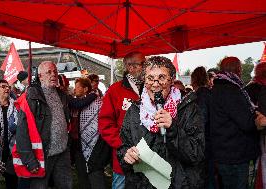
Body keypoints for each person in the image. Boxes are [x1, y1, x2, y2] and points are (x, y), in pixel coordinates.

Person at [117, 56, 205, 189]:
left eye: (162, 78)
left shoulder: (188, 109)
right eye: (150, 78)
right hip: (142, 184)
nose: (155, 84)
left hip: (178, 184)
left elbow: (196, 154)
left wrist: (173, 129)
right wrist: (126, 155)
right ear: (144, 81)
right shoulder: (134, 111)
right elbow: (123, 147)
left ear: (171, 80)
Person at [15, 61, 73, 189]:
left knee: (66, 185)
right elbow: (22, 132)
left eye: (55, 72)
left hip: (62, 152)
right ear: (40, 76)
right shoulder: (31, 97)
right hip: (42, 155)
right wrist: (30, 161)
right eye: (49, 72)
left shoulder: (61, 94)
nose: (53, 75)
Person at [210, 56, 260, 189]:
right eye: (241, 67)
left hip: (222, 152)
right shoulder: (231, 90)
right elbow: (246, 123)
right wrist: (256, 117)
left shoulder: (216, 88)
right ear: (237, 69)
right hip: (234, 155)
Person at [98, 51, 146, 189]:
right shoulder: (115, 91)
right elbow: (105, 124)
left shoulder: (150, 88)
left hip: (149, 159)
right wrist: (123, 146)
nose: (146, 67)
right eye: (143, 63)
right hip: (123, 160)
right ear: (131, 67)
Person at [73, 77, 109, 189]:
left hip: (96, 144)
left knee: (95, 174)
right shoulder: (76, 102)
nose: (75, 89)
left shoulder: (96, 102)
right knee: (82, 174)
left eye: (78, 87)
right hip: (78, 145)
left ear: (85, 89)